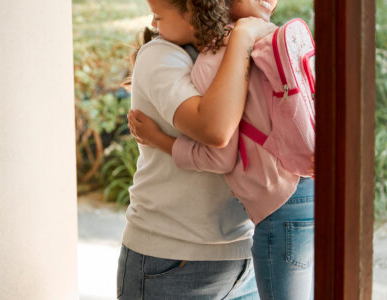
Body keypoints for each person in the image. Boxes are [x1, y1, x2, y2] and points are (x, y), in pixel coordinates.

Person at [128, 0, 317, 298]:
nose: (153, 23)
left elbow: (219, 142)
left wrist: (243, 34)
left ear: (191, 11)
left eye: (159, 15)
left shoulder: (231, 49)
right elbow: (217, 131)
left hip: (240, 251)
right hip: (174, 253)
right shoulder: (163, 54)